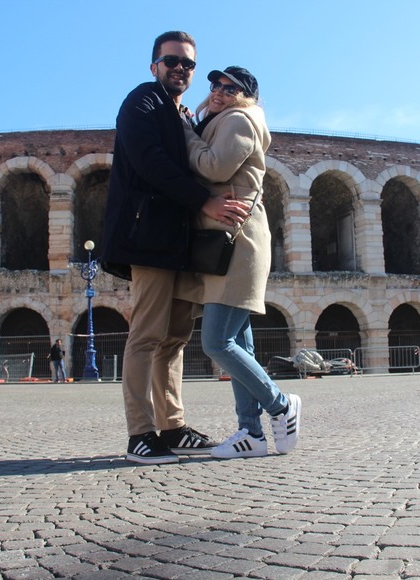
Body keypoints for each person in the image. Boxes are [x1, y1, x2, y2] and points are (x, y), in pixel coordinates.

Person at [100, 32, 251, 464]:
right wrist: (205, 201)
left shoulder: (180, 112)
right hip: (148, 237)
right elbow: (150, 162)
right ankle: (140, 434)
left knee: (175, 338)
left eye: (188, 64)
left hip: (180, 240)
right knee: (147, 335)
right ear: (154, 66)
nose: (180, 68)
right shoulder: (142, 101)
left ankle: (173, 426)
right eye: (172, 61)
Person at [176, 66, 301, 459]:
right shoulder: (217, 120)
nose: (219, 91)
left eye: (231, 88)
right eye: (215, 84)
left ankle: (281, 404)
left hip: (237, 243)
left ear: (246, 96)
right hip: (225, 241)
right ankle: (251, 433)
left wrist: (184, 134)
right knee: (239, 341)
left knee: (217, 341)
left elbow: (215, 167)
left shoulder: (239, 119)